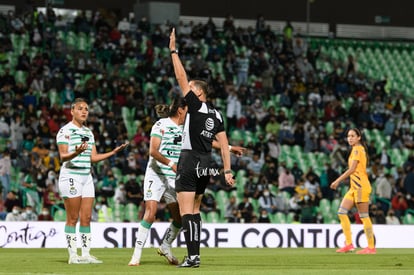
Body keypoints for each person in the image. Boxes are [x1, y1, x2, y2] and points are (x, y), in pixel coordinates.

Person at [128, 97, 244, 266]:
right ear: (181, 110)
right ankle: (136, 255)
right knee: (150, 212)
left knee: (180, 217)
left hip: (176, 174)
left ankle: (166, 246)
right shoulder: (161, 125)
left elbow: (208, 141)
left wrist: (230, 148)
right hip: (157, 173)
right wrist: (170, 163)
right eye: (188, 110)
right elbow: (153, 151)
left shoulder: (188, 127)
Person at [169, 28, 235, 268]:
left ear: (198, 93)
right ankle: (195, 256)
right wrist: (227, 170)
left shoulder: (195, 106)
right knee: (195, 210)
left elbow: (180, 78)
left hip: (189, 160)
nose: (187, 93)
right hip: (206, 163)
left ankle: (193, 257)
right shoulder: (217, 114)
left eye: (191, 89)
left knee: (186, 210)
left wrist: (173, 51)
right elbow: (224, 145)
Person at [56, 98, 129, 264]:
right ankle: (73, 255)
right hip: (71, 175)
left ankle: (86, 254)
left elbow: (93, 157)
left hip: (86, 176)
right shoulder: (65, 131)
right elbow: (63, 156)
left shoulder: (88, 133)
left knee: (87, 217)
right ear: (72, 111)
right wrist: (76, 152)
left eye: (86, 109)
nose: (84, 111)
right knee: (72, 218)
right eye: (80, 108)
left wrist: (113, 152)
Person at [330, 128, 376, 254]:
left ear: (359, 137)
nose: (349, 138)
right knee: (341, 212)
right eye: (348, 136)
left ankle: (371, 247)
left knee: (364, 217)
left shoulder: (357, 149)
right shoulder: (355, 149)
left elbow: (352, 169)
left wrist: (337, 181)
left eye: (352, 136)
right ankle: (349, 244)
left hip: (361, 186)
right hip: (354, 187)